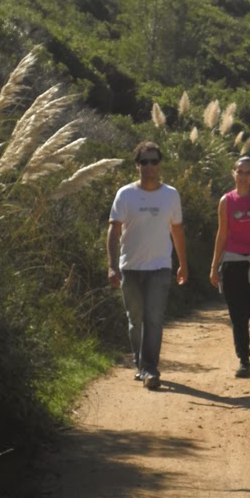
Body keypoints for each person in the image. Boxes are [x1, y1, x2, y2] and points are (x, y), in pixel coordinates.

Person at [107, 141, 188, 390]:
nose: (149, 166)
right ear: (137, 165)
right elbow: (113, 230)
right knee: (135, 319)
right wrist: (112, 265)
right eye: (144, 162)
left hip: (160, 267)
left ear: (160, 165)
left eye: (154, 161)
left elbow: (177, 231)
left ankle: (150, 369)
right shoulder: (125, 194)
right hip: (130, 267)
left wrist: (183, 264)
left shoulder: (171, 195)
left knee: (153, 319)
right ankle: (140, 364)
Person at [209, 156, 250, 378]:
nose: (243, 176)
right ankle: (244, 360)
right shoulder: (226, 201)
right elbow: (222, 235)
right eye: (240, 171)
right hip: (233, 263)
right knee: (238, 316)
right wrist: (214, 266)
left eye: (248, 172)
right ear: (233, 173)